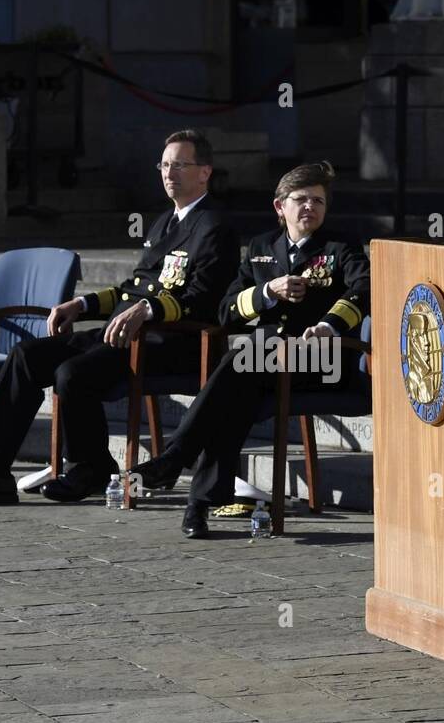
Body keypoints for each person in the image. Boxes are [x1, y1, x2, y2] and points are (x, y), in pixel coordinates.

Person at [0, 129, 240, 507]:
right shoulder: (164, 222)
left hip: (172, 340)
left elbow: (205, 299)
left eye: (179, 164)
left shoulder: (215, 226)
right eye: (163, 164)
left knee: (73, 373)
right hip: (125, 331)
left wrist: (147, 310)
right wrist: (81, 305)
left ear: (205, 172)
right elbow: (133, 287)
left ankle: (91, 467)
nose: (168, 173)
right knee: (27, 356)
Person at [131, 161, 370, 538]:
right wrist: (266, 293)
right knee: (232, 398)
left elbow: (363, 291)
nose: (310, 207)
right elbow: (226, 310)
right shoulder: (261, 247)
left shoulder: (342, 246)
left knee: (236, 371)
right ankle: (198, 507)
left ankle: (177, 460)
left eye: (318, 201)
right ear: (280, 207)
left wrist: (328, 325)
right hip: (265, 362)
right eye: (301, 200)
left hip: (322, 360)